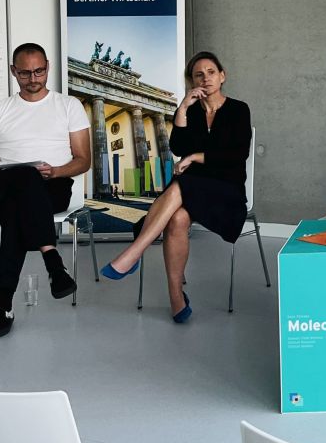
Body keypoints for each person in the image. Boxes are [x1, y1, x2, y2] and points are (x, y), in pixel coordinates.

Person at [100, 51, 251, 324]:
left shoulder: (239, 109)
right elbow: (179, 147)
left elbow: (236, 155)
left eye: (211, 72)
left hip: (227, 191)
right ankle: (175, 297)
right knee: (178, 218)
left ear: (222, 76)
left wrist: (196, 157)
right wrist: (181, 108)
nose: (206, 78)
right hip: (193, 189)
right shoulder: (191, 112)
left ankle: (134, 252)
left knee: (182, 182)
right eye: (198, 74)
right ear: (191, 81)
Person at [0, 43, 91, 340]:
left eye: (39, 71)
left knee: (17, 213)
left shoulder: (69, 106)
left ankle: (2, 305)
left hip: (53, 185)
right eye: (25, 73)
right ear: (14, 72)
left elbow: (83, 160)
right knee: (23, 177)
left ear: (48, 67)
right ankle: (52, 261)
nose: (33, 78)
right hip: (4, 184)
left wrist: (56, 170)